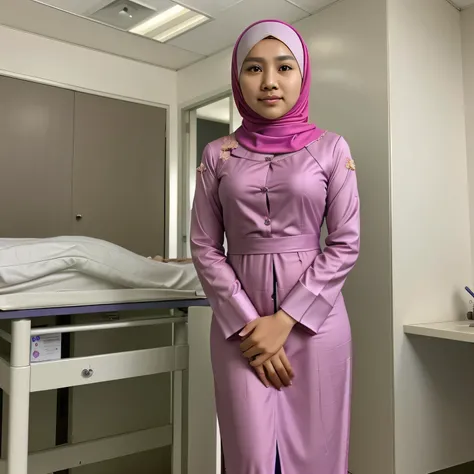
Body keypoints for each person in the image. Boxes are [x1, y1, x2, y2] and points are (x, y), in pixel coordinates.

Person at [190, 19, 360, 474]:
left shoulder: (330, 148)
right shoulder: (216, 154)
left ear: (302, 76)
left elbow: (345, 243)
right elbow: (205, 246)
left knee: (318, 453)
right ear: (237, 78)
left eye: (284, 67)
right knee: (248, 456)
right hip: (238, 332)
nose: (269, 82)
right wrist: (251, 327)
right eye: (253, 68)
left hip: (315, 325)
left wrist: (284, 321)